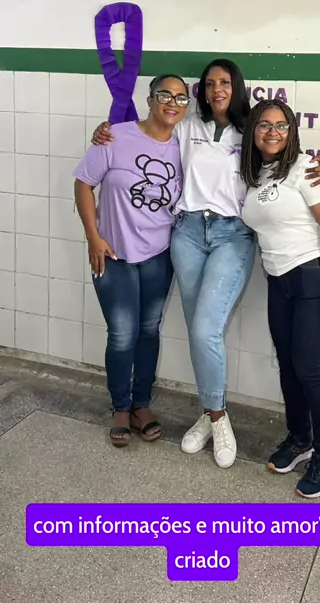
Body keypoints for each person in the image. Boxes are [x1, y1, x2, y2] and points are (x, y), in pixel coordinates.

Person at [91, 59, 320, 468]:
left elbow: (288, 153)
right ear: (201, 91)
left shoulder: (252, 129)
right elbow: (149, 133)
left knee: (206, 329)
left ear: (236, 87)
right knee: (197, 332)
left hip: (232, 235)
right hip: (186, 233)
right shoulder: (187, 125)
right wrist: (107, 132)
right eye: (209, 84)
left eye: (224, 82)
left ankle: (219, 418)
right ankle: (207, 414)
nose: (217, 89)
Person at [241, 98, 320, 498]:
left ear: (292, 132)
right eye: (264, 125)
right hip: (279, 282)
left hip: (316, 277)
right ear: (253, 131)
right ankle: (300, 438)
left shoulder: (306, 169)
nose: (273, 132)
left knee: (310, 369)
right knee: (288, 366)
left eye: (281, 125)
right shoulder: (254, 173)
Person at [74, 74, 189, 448]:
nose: (172, 103)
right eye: (165, 95)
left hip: (159, 256)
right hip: (114, 254)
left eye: (181, 98)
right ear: (150, 99)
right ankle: (120, 407)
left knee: (149, 329)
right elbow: (83, 183)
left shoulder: (185, 147)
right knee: (123, 334)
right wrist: (93, 236)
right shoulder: (115, 136)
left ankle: (142, 404)